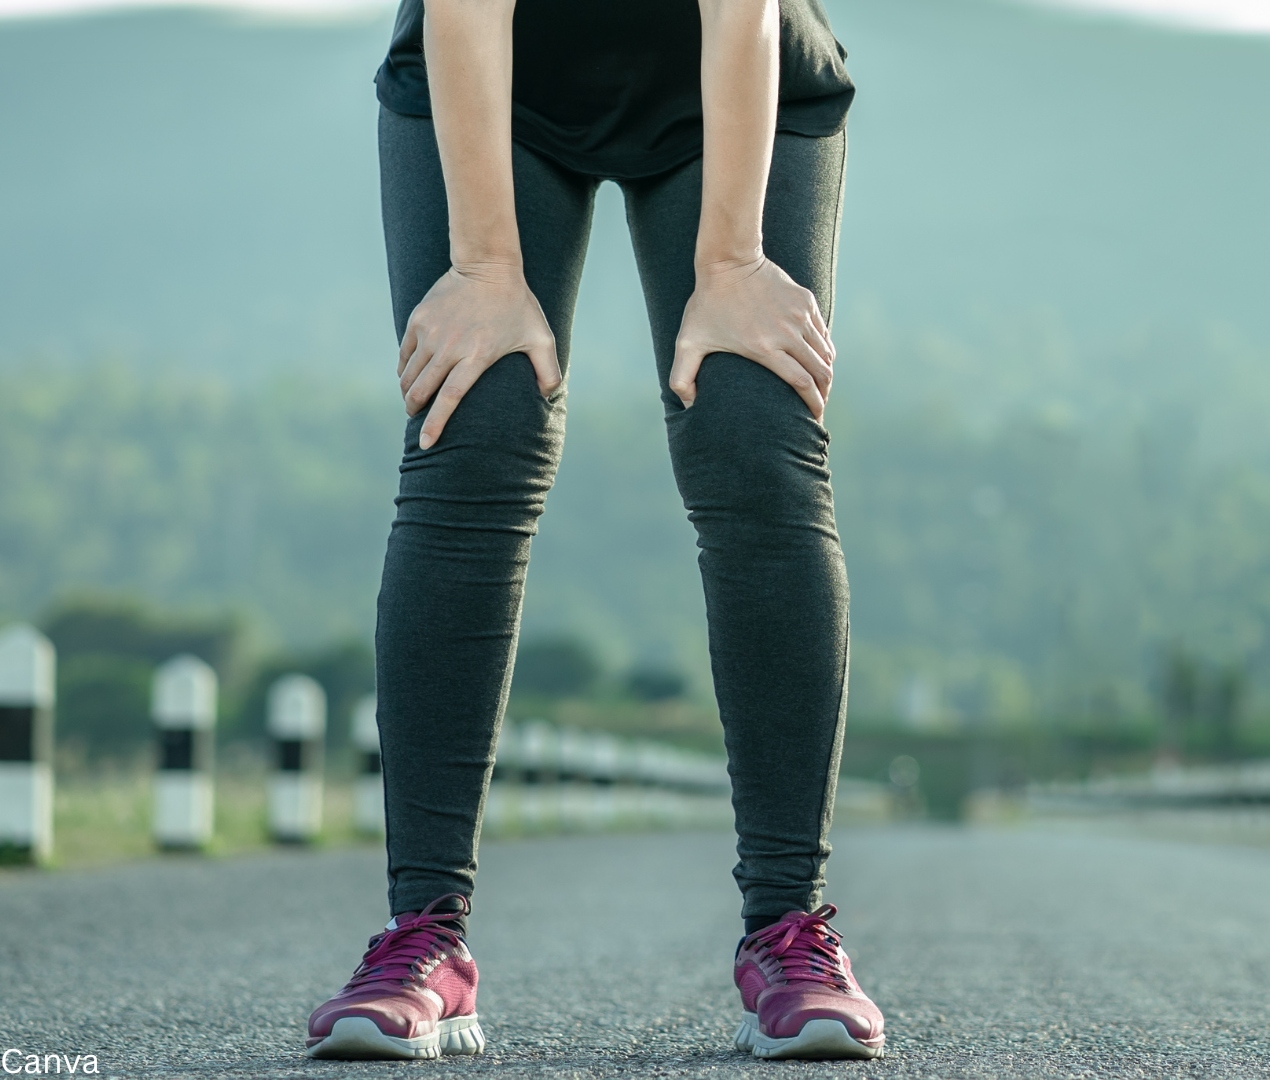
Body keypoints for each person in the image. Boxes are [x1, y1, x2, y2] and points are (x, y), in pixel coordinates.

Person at [301, 0, 882, 1061]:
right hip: (495, 82)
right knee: (474, 425)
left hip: (731, 77)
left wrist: (733, 266)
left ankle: (788, 932)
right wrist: (484, 272)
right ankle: (423, 936)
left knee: (754, 436)